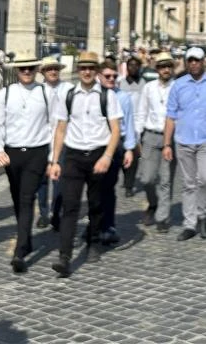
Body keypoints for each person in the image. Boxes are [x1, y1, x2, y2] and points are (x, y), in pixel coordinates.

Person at [48, 51, 124, 277]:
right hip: (73, 156)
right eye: (83, 68)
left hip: (98, 155)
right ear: (78, 70)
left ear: (97, 71)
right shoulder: (69, 95)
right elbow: (60, 129)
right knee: (70, 205)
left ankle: (93, 241)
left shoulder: (108, 96)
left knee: (95, 204)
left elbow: (116, 130)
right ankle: (64, 256)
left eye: (91, 68)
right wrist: (55, 161)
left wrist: (107, 157)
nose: (87, 72)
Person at [0, 55, 52, 272]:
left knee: (26, 197)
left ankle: (19, 251)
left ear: (36, 69)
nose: (27, 72)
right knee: (17, 198)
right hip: (13, 154)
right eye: (23, 68)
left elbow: (55, 125)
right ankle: (27, 238)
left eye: (30, 68)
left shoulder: (45, 92)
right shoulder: (5, 94)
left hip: (37, 152)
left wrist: (52, 157)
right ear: (17, 70)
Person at [163, 46, 206, 241]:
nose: (193, 64)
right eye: (190, 60)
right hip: (183, 140)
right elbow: (170, 116)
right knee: (189, 183)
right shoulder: (178, 85)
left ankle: (202, 214)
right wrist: (166, 144)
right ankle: (190, 223)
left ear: (203, 62)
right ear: (186, 62)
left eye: (197, 60)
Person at [95, 59, 136, 245]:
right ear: (99, 76)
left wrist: (129, 149)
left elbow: (129, 124)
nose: (111, 79)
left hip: (117, 145)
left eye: (114, 76)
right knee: (94, 189)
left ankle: (108, 225)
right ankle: (95, 224)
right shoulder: (92, 95)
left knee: (108, 188)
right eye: (107, 76)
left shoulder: (123, 97)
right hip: (96, 145)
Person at [134, 52, 176, 232]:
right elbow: (141, 111)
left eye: (168, 66)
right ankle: (153, 203)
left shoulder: (178, 87)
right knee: (147, 178)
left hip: (171, 137)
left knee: (165, 180)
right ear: (157, 69)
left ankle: (162, 217)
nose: (166, 69)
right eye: (162, 66)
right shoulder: (149, 87)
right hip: (150, 135)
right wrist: (138, 136)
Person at [35, 56, 72, 230]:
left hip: (63, 139)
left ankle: (57, 213)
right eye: (49, 69)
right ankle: (43, 214)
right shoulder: (37, 91)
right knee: (42, 180)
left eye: (55, 68)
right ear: (43, 72)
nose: (53, 71)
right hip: (41, 139)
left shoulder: (69, 88)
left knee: (59, 179)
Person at [117, 54, 144, 197]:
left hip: (137, 124)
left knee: (134, 155)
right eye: (130, 65)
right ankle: (125, 176)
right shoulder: (120, 83)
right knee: (122, 154)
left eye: (136, 65)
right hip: (122, 123)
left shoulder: (144, 84)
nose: (133, 68)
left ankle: (129, 184)